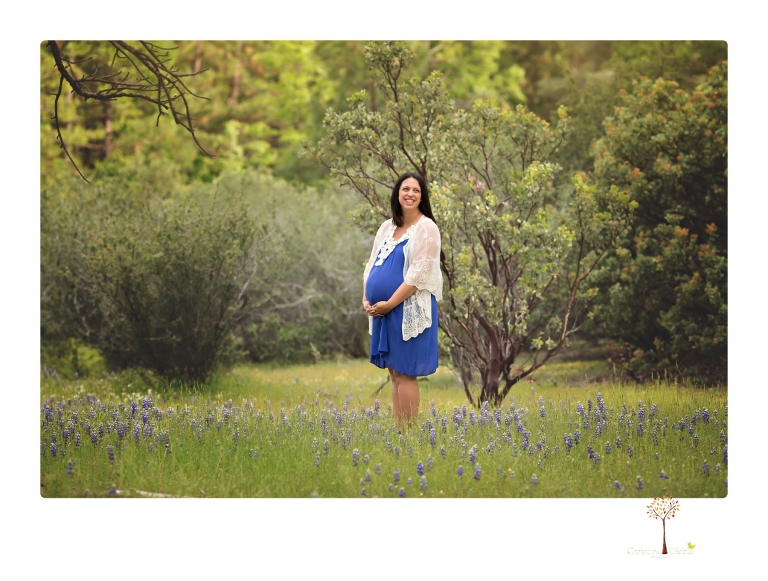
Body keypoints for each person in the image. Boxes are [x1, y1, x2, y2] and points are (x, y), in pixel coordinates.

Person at [362, 171, 442, 429]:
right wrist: (367, 297)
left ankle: (408, 434)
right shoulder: (387, 227)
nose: (410, 194)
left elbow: (418, 274)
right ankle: (399, 432)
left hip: (408, 309)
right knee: (394, 372)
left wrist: (390, 304)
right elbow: (371, 264)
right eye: (405, 189)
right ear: (397, 193)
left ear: (422, 196)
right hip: (383, 310)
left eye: (416, 190)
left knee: (406, 372)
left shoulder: (427, 228)